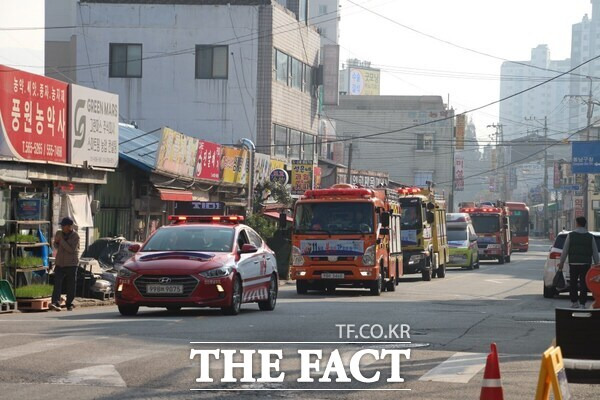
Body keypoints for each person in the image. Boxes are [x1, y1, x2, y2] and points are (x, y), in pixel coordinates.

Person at [558, 216, 600, 309]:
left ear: (577, 223)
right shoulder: (590, 236)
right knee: (584, 283)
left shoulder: (571, 235)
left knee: (573, 283)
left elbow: (565, 250)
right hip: (585, 264)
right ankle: (582, 304)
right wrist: (597, 263)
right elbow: (594, 251)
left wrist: (561, 262)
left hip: (573, 263)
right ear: (585, 224)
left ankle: (574, 302)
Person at [50, 217, 80, 311]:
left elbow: (71, 250)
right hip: (60, 262)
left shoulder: (76, 236)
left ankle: (69, 303)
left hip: (71, 263)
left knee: (71, 284)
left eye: (64, 225)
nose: (62, 227)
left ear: (69, 226)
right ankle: (55, 302)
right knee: (57, 282)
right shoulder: (59, 233)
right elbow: (56, 245)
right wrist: (56, 242)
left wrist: (61, 241)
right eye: (61, 225)